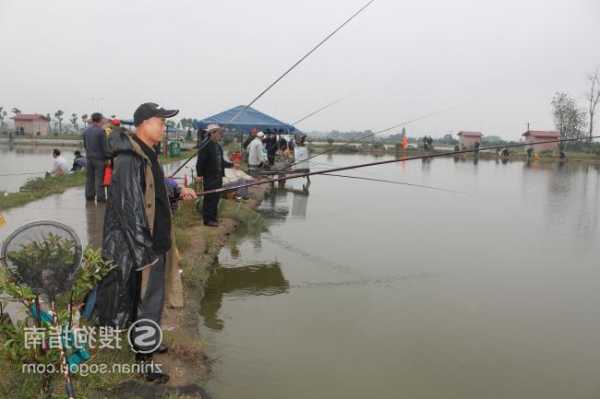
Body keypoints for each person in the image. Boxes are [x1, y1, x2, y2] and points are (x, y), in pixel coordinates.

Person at [97, 102, 196, 383]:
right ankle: (144, 359)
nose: (164, 128)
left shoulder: (147, 155)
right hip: (145, 247)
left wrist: (178, 190)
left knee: (153, 300)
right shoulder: (129, 159)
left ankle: (147, 340)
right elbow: (129, 211)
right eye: (160, 122)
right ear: (143, 124)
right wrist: (147, 253)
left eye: (164, 123)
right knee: (147, 303)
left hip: (157, 241)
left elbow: (152, 192)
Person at [196, 124, 233, 227]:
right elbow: (200, 162)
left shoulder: (218, 146)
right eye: (219, 133)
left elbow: (221, 162)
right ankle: (207, 220)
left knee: (216, 198)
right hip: (209, 177)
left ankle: (214, 217)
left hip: (218, 177)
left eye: (221, 133)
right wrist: (199, 175)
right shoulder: (205, 145)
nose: (221, 135)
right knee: (209, 198)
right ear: (212, 133)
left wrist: (232, 165)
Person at [83, 112, 109, 202]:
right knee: (99, 179)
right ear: (100, 120)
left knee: (89, 178)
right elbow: (104, 147)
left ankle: (89, 196)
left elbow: (85, 145)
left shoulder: (86, 130)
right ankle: (100, 197)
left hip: (89, 158)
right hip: (99, 159)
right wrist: (108, 157)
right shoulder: (101, 131)